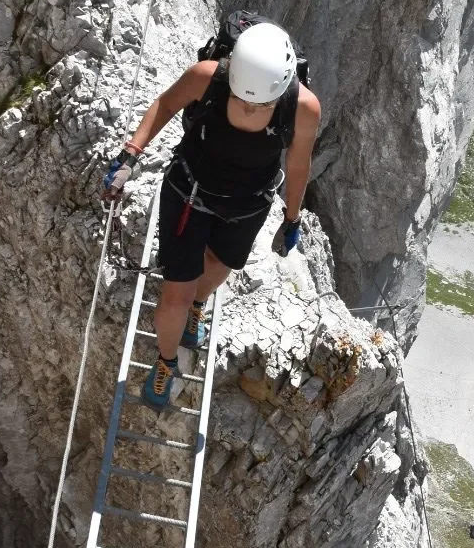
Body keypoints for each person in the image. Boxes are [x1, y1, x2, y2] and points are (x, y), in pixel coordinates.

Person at [102, 20, 321, 409]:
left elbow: (299, 164)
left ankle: (199, 305)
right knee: (175, 296)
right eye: (244, 99)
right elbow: (166, 104)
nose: (251, 108)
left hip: (248, 204)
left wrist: (292, 218)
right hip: (190, 194)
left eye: (262, 104)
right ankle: (166, 363)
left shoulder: (302, 107)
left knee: (222, 264)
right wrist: (129, 154)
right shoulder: (208, 77)